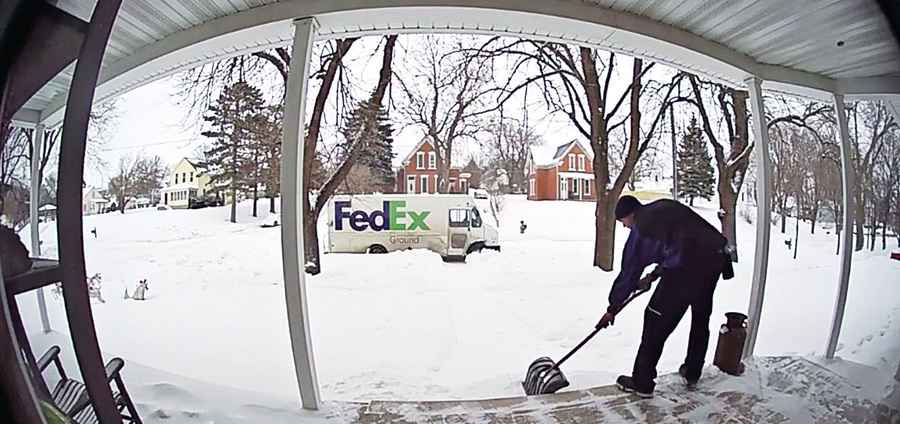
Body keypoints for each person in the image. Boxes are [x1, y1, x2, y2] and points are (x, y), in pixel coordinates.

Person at [596, 195, 733, 398]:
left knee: (654, 319)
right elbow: (681, 243)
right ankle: (693, 370)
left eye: (622, 222)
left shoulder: (642, 226)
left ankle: (642, 381)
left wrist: (613, 307)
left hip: (688, 268)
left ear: (630, 215)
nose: (625, 227)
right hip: (715, 258)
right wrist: (654, 275)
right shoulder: (661, 207)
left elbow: (629, 271)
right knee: (700, 315)